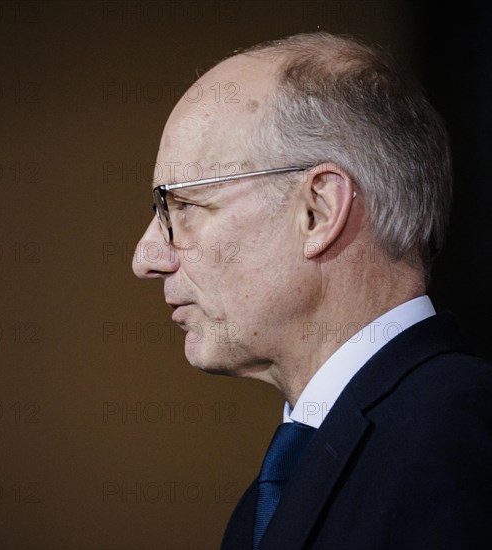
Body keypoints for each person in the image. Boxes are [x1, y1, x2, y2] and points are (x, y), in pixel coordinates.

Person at [132, 32, 492, 549]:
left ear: (317, 211)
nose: (146, 258)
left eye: (182, 206)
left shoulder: (455, 441)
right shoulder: (271, 494)